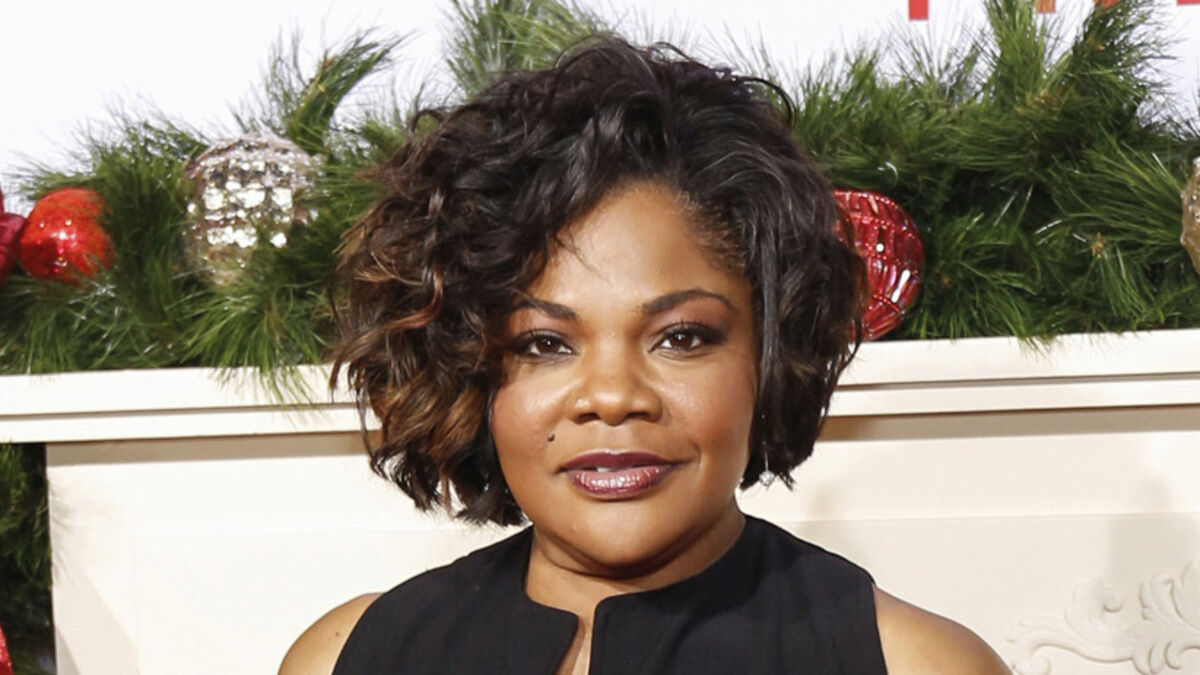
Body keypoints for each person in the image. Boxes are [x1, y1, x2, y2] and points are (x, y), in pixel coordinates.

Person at [281, 37, 1009, 675]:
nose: (612, 395)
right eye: (544, 343)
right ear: (468, 374)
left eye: (681, 337)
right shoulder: (347, 657)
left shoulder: (919, 663)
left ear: (769, 354)